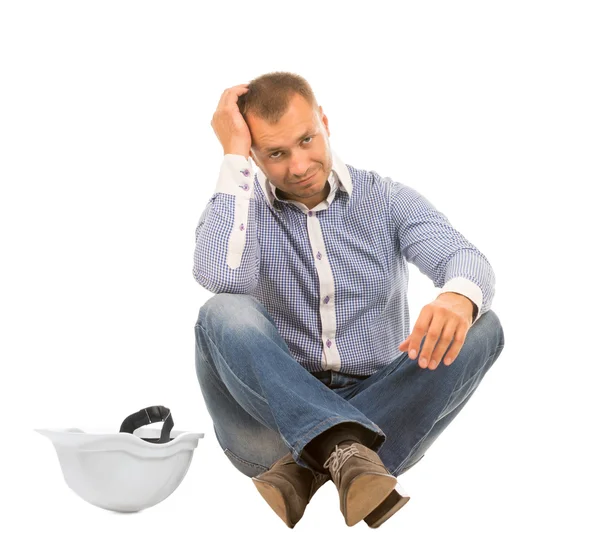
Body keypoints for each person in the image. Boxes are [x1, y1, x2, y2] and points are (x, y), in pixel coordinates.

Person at [193, 71, 505, 529]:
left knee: (482, 324)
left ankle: (311, 464)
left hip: (384, 408)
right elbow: (220, 275)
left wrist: (457, 297)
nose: (298, 166)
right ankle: (344, 453)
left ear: (323, 121)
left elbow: (463, 256)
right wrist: (232, 156)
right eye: (276, 153)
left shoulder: (386, 199)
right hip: (270, 421)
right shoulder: (242, 210)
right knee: (223, 311)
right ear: (255, 155)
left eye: (306, 140)